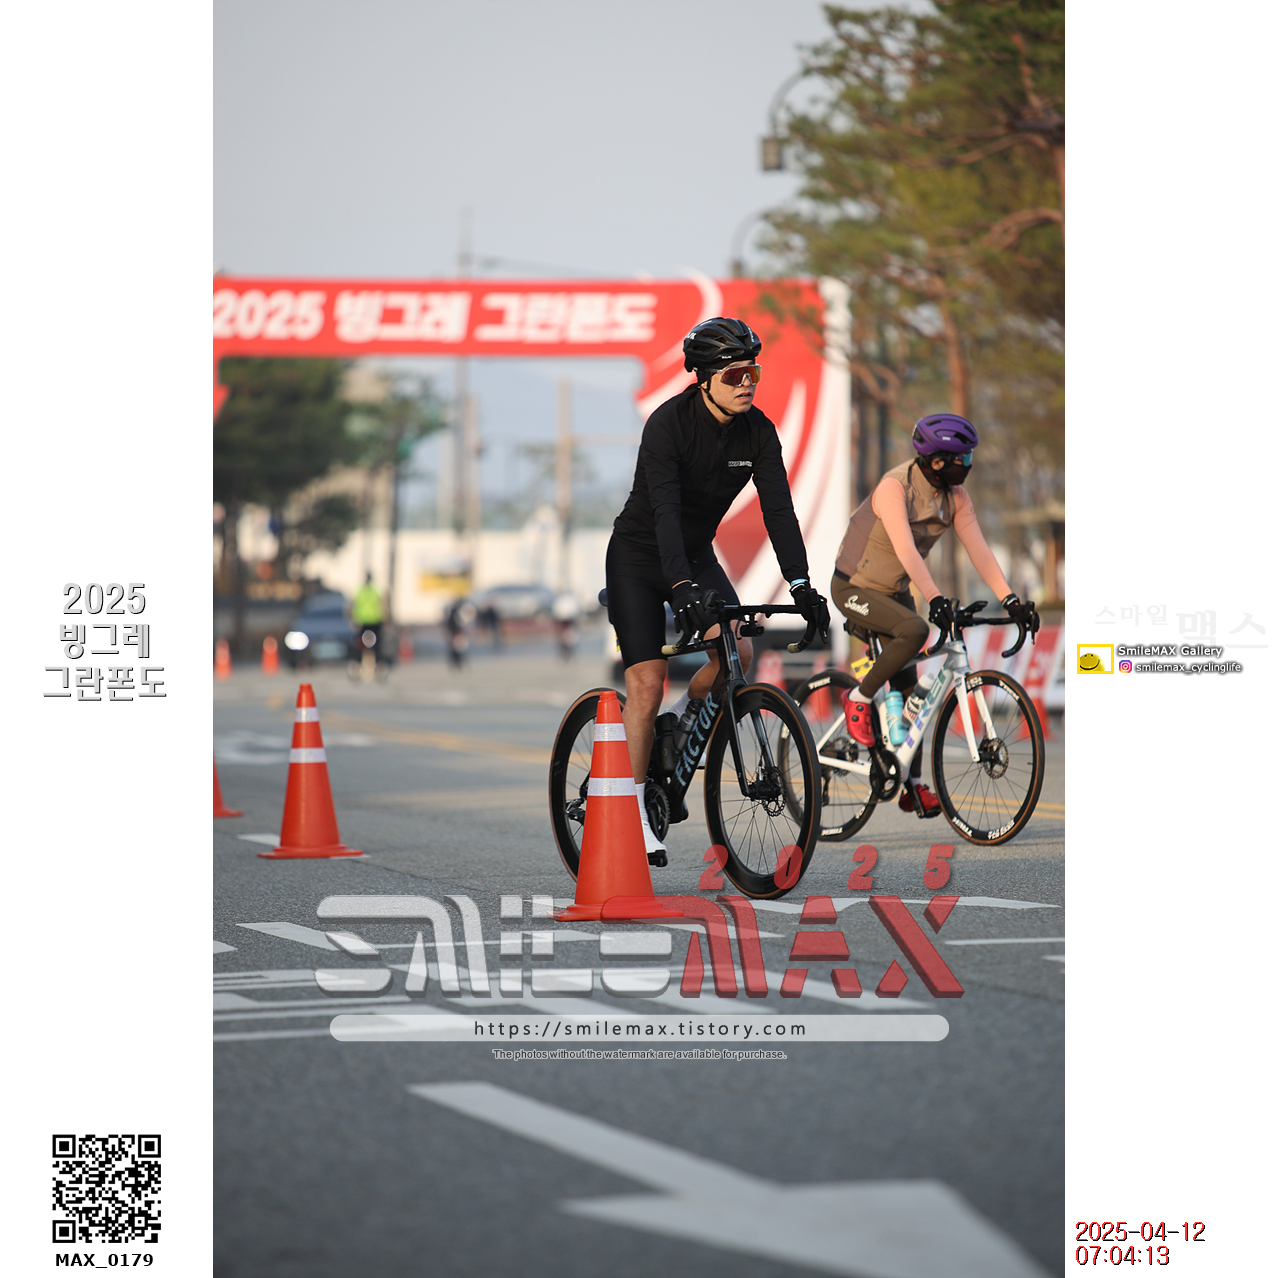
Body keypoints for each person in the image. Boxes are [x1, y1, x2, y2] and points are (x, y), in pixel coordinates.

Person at [606, 316, 830, 860]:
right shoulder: (668, 424)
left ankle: (678, 729)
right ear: (704, 378)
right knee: (647, 682)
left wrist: (801, 585)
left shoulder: (758, 431)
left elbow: (780, 512)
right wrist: (680, 586)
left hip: (695, 554)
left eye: (753, 372)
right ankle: (632, 810)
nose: (747, 383)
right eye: (734, 375)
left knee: (738, 654)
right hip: (640, 556)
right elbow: (664, 513)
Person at [830, 412, 1039, 816]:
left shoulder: (956, 497)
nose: (969, 464)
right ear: (937, 461)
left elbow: (980, 550)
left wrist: (1011, 599)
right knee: (915, 629)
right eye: (964, 458)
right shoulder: (895, 488)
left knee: (913, 695)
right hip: (853, 587)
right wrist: (935, 598)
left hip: (893, 592)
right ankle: (858, 697)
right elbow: (906, 550)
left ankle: (911, 784)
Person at [351, 572, 385, 658]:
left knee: (362, 642)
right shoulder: (375, 590)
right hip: (374, 619)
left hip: (364, 620)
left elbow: (355, 605)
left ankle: (360, 659)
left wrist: (355, 618)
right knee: (376, 642)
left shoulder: (360, 591)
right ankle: (376, 659)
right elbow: (381, 604)